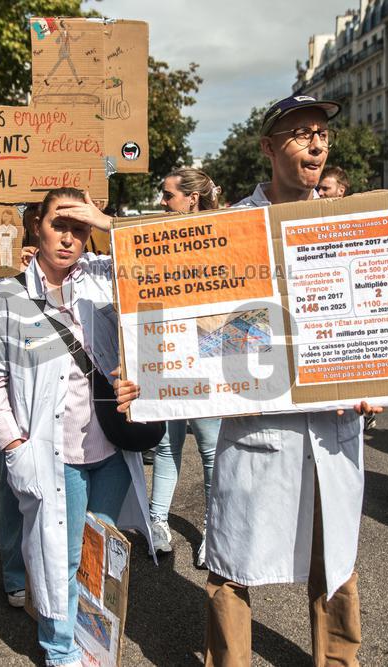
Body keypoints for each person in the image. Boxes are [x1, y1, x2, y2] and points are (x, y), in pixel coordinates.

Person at [118, 94, 380, 667]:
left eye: (322, 134)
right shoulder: (229, 228)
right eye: (300, 133)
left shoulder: (349, 222)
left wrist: (377, 376)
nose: (316, 143)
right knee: (231, 564)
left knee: (336, 562)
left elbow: (371, 318)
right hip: (256, 427)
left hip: (329, 427)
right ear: (268, 147)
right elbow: (197, 331)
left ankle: (339, 661)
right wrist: (151, 374)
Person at [0, 187, 154, 667]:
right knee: (61, 554)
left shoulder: (104, 280)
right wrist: (13, 443)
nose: (70, 238)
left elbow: (162, 265)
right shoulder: (3, 298)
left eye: (80, 228)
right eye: (60, 225)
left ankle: (92, 638)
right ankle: (59, 647)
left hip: (109, 449)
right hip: (54, 452)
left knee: (101, 549)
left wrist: (108, 221)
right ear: (37, 226)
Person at [146, 167, 222, 565]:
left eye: (168, 194)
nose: (162, 201)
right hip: (165, 351)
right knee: (166, 443)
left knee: (211, 448)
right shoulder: (156, 237)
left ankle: (213, 529)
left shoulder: (218, 233)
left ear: (192, 198)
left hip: (207, 353)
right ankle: (157, 520)